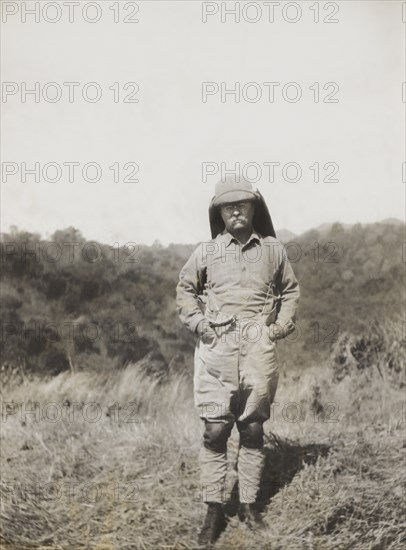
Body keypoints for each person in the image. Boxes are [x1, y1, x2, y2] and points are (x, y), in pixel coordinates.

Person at [176, 176, 300, 546]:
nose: (235, 210)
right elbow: (185, 290)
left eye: (242, 204)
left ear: (253, 208)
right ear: (219, 213)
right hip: (217, 348)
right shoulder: (206, 252)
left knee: (252, 430)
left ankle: (248, 506)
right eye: (228, 206)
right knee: (215, 431)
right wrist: (201, 326)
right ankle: (214, 509)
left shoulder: (274, 250)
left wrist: (277, 328)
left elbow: (290, 291)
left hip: (258, 349)